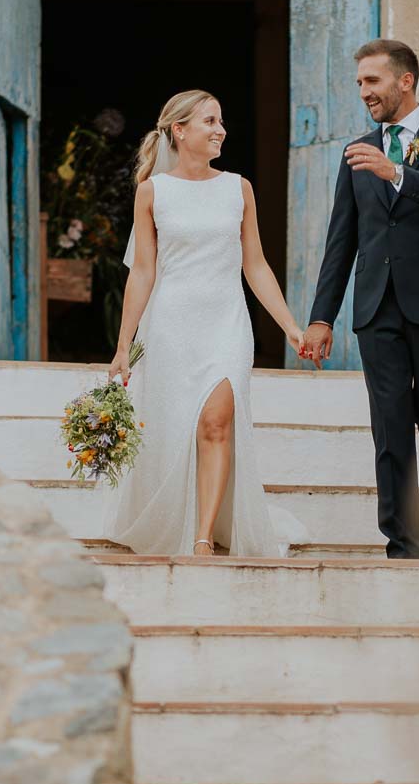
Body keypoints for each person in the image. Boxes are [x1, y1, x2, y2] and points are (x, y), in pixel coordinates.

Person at [105, 89, 314, 558]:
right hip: (170, 325)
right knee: (180, 426)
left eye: (221, 121)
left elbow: (255, 265)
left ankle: (202, 539)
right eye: (210, 121)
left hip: (225, 322)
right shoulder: (153, 192)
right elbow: (142, 271)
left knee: (217, 419)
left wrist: (289, 326)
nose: (220, 129)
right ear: (179, 130)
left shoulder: (238, 187)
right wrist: (124, 346)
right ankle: (178, 519)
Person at [301, 40, 419, 560]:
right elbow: (343, 239)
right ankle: (402, 546)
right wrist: (321, 318)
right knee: (390, 430)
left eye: (372, 81)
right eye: (359, 83)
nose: (364, 92)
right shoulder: (355, 151)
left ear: (405, 81)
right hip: (377, 309)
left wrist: (396, 172)